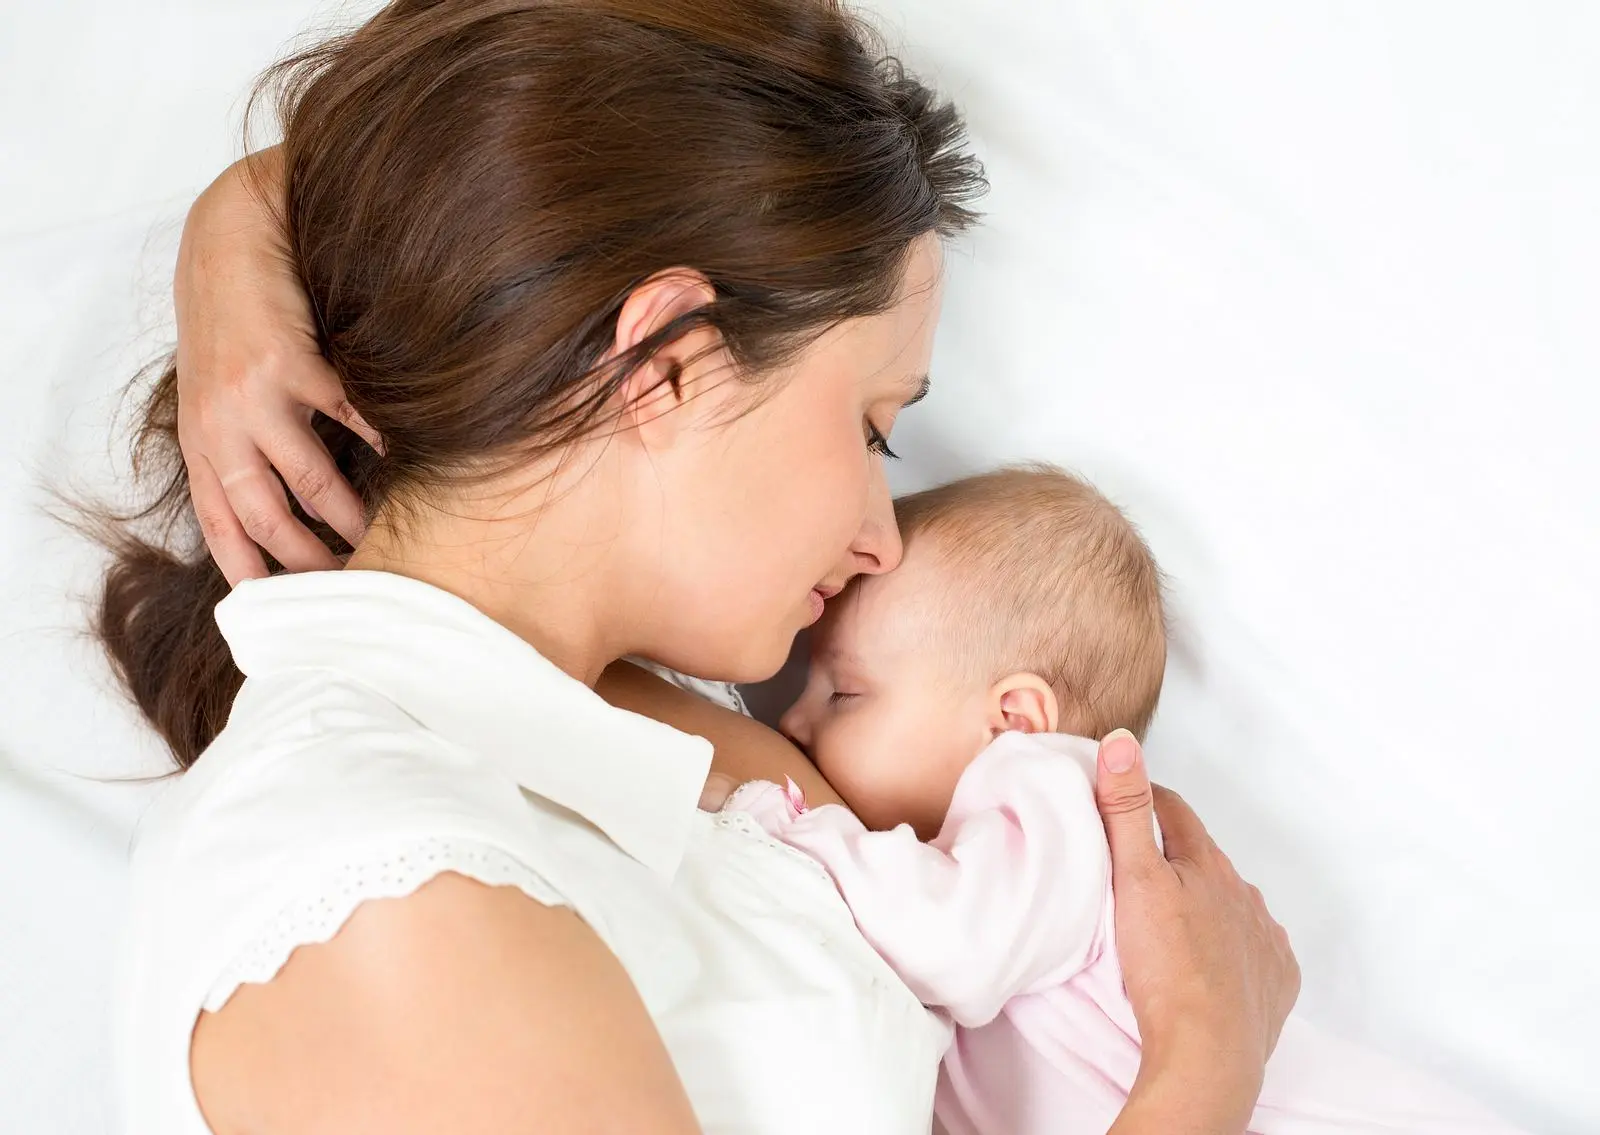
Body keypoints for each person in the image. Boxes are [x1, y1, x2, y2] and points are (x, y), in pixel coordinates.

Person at [101, 2, 1299, 1132]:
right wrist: (1200, 1065)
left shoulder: (634, 737)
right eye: (872, 427)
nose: (883, 537)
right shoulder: (386, 890)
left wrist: (245, 218)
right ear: (669, 363)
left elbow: (483, 169)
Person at [721, 465, 1523, 1135]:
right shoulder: (1002, 844)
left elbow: (947, 942)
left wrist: (782, 823)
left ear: (1014, 719)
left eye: (843, 692)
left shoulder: (1044, 792)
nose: (793, 721)